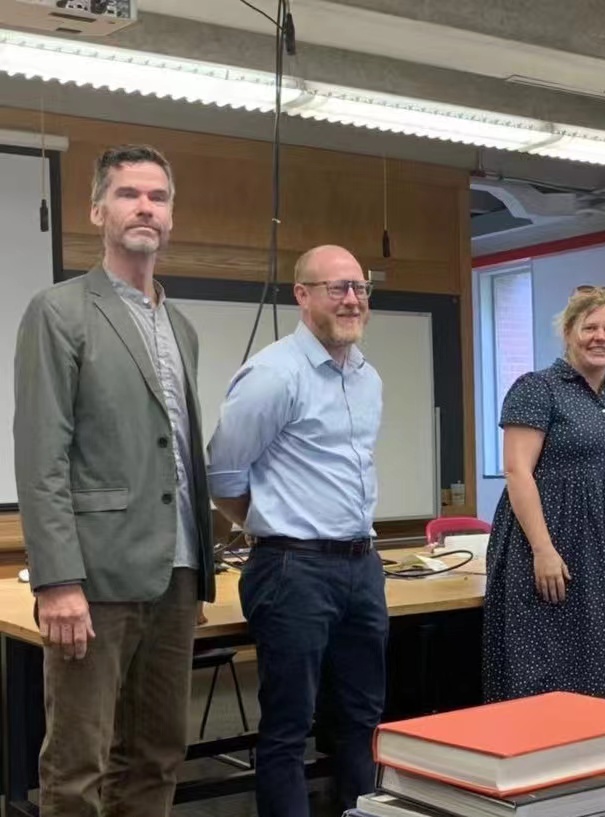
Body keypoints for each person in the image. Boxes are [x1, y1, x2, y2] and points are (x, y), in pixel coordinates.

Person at [12, 144, 215, 815]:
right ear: (98, 210)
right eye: (129, 194)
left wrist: (197, 567)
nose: (145, 207)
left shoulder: (181, 326)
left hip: (177, 573)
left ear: (171, 216)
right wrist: (57, 580)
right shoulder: (59, 310)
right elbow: (41, 454)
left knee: (158, 754)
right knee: (79, 762)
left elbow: (176, 454)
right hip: (94, 578)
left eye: (158, 196)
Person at [206, 245, 388, 815]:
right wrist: (274, 527)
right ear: (302, 296)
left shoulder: (367, 377)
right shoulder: (273, 375)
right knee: (289, 726)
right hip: (293, 569)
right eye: (337, 288)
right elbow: (223, 475)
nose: (352, 299)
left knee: (363, 719)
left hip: (362, 565)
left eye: (359, 287)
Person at [482, 285, 605, 706]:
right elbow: (517, 471)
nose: (601, 337)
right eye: (590, 327)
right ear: (567, 332)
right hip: (557, 552)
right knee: (552, 671)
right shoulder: (537, 388)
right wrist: (543, 549)